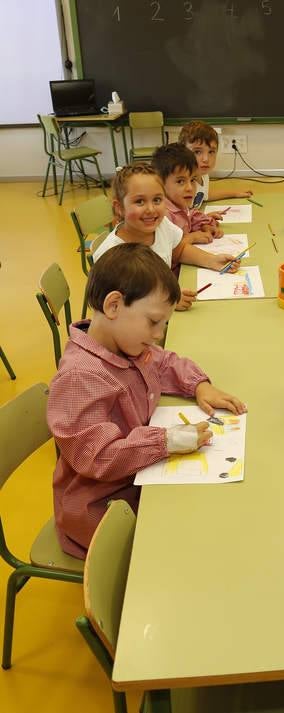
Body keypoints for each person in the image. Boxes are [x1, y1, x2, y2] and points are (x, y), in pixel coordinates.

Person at [47, 243, 247, 558]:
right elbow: (98, 456)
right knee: (205, 542)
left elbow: (164, 363)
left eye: (163, 324)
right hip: (101, 512)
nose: (158, 334)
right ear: (114, 305)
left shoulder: (125, 343)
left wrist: (199, 385)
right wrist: (166, 442)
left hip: (139, 481)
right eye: (153, 322)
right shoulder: (80, 378)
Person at [93, 164, 239, 311]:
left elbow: (179, 250)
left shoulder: (162, 225)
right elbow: (116, 306)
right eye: (140, 201)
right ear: (119, 208)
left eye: (157, 200)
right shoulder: (111, 254)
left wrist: (211, 260)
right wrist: (166, 301)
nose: (151, 209)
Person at [151, 143, 224, 245]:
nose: (190, 188)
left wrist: (205, 226)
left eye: (193, 180)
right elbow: (167, 248)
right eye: (181, 181)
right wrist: (191, 238)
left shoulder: (180, 204)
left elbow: (191, 216)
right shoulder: (163, 216)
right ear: (160, 184)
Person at [177, 120, 253, 205]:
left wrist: (235, 193)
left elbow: (205, 195)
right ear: (181, 152)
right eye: (197, 152)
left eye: (211, 152)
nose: (206, 159)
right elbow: (174, 211)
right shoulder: (180, 184)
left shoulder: (203, 176)